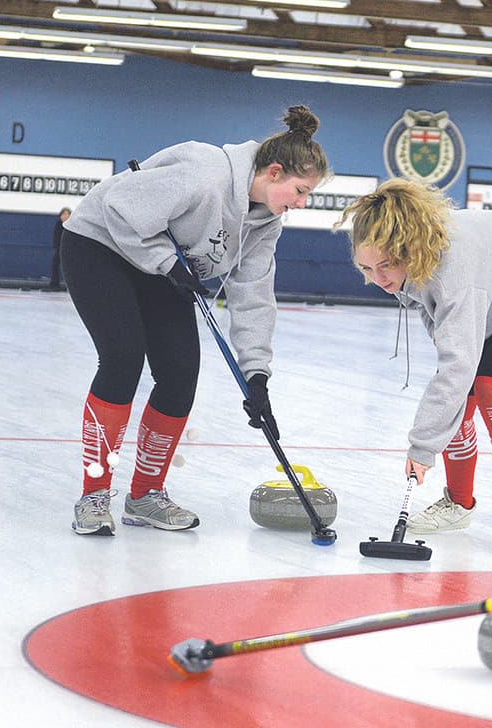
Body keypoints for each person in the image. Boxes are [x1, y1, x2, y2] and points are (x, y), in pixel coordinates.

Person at [61, 105, 330, 536]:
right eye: (299, 191)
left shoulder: (266, 224)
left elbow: (254, 296)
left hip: (165, 265)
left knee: (181, 371)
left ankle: (146, 495)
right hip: (101, 245)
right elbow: (118, 206)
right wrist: (166, 263)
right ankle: (94, 494)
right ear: (274, 172)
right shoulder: (203, 173)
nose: (299, 204)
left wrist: (257, 374)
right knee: (123, 357)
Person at [338, 179, 492, 553]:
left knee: (491, 388)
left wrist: (422, 448)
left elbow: (457, 366)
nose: (379, 280)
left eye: (386, 266)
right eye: (366, 267)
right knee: (458, 395)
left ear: (408, 251)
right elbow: (452, 360)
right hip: (491, 285)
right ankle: (459, 503)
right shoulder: (413, 265)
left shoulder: (451, 275)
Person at [44, 207, 71, 291]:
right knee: (55, 265)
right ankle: (54, 284)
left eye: (67, 214)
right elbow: (56, 237)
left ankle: (71, 286)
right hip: (60, 249)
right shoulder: (58, 224)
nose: (65, 216)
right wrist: (58, 247)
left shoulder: (72, 226)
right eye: (63, 214)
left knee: (70, 268)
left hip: (70, 250)